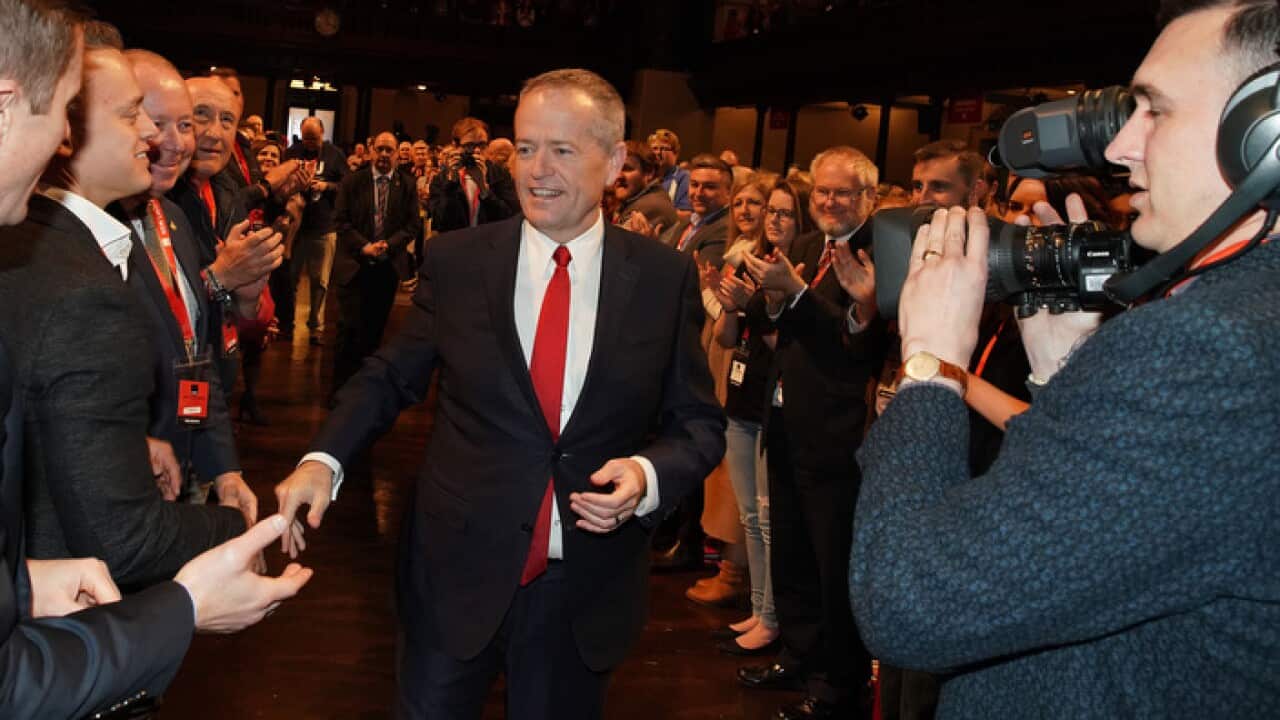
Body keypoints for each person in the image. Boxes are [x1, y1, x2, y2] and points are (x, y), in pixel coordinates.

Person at [852, 1, 1280, 716]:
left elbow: (909, 602)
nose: (1119, 148)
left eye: (1156, 112)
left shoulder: (1210, 349)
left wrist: (928, 363)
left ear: (1266, 135)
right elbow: (1116, 531)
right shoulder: (1239, 322)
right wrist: (1064, 376)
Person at [274, 67, 725, 720]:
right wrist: (324, 459)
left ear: (617, 160)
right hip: (455, 570)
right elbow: (390, 376)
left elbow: (700, 424)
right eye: (526, 146)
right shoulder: (459, 261)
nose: (536, 170)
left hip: (582, 588)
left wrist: (647, 474)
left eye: (562, 150)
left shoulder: (663, 278)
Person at [0, 4, 309, 716]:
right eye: (69, 111)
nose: (157, 136)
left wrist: (21, 583)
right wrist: (235, 547)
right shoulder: (70, 281)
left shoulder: (159, 222)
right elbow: (119, 538)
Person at [737, 146, 884, 720]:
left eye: (842, 192)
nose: (827, 200)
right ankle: (800, 657)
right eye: (821, 191)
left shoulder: (876, 254)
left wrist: (794, 295)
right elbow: (774, 322)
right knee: (792, 553)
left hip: (838, 432)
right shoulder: (801, 246)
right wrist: (773, 298)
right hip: (786, 417)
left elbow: (857, 348)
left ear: (867, 198)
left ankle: (837, 685)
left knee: (830, 562)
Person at [331, 131, 419, 394]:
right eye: (379, 149)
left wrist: (387, 245)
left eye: (388, 150)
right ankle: (340, 391)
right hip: (354, 266)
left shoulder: (407, 184)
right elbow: (341, 221)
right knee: (349, 331)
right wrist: (364, 246)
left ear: (397, 154)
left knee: (374, 333)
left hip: (387, 266)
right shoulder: (352, 182)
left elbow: (412, 224)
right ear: (371, 151)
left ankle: (364, 393)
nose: (383, 155)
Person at [286, 115, 348, 345]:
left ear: (323, 133)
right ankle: (287, 322)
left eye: (314, 138)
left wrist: (326, 186)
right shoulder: (293, 153)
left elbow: (346, 185)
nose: (309, 143)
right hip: (296, 226)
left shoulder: (335, 155)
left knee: (319, 282)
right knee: (290, 277)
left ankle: (316, 327)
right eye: (306, 139)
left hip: (325, 225)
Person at [427, 116, 520, 234]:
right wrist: (451, 184)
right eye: (469, 145)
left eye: (482, 145)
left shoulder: (500, 174)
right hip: (456, 245)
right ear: (455, 146)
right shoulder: (441, 178)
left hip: (490, 245)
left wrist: (485, 190)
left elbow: (511, 219)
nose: (476, 151)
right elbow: (439, 222)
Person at [612, 139, 678, 234]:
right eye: (616, 168)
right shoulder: (637, 200)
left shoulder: (648, 207)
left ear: (649, 173)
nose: (618, 176)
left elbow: (612, 246)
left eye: (627, 169)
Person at [649, 128, 692, 219]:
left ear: (676, 153)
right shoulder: (647, 176)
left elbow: (686, 215)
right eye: (654, 148)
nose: (658, 153)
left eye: (663, 148)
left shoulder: (684, 177)